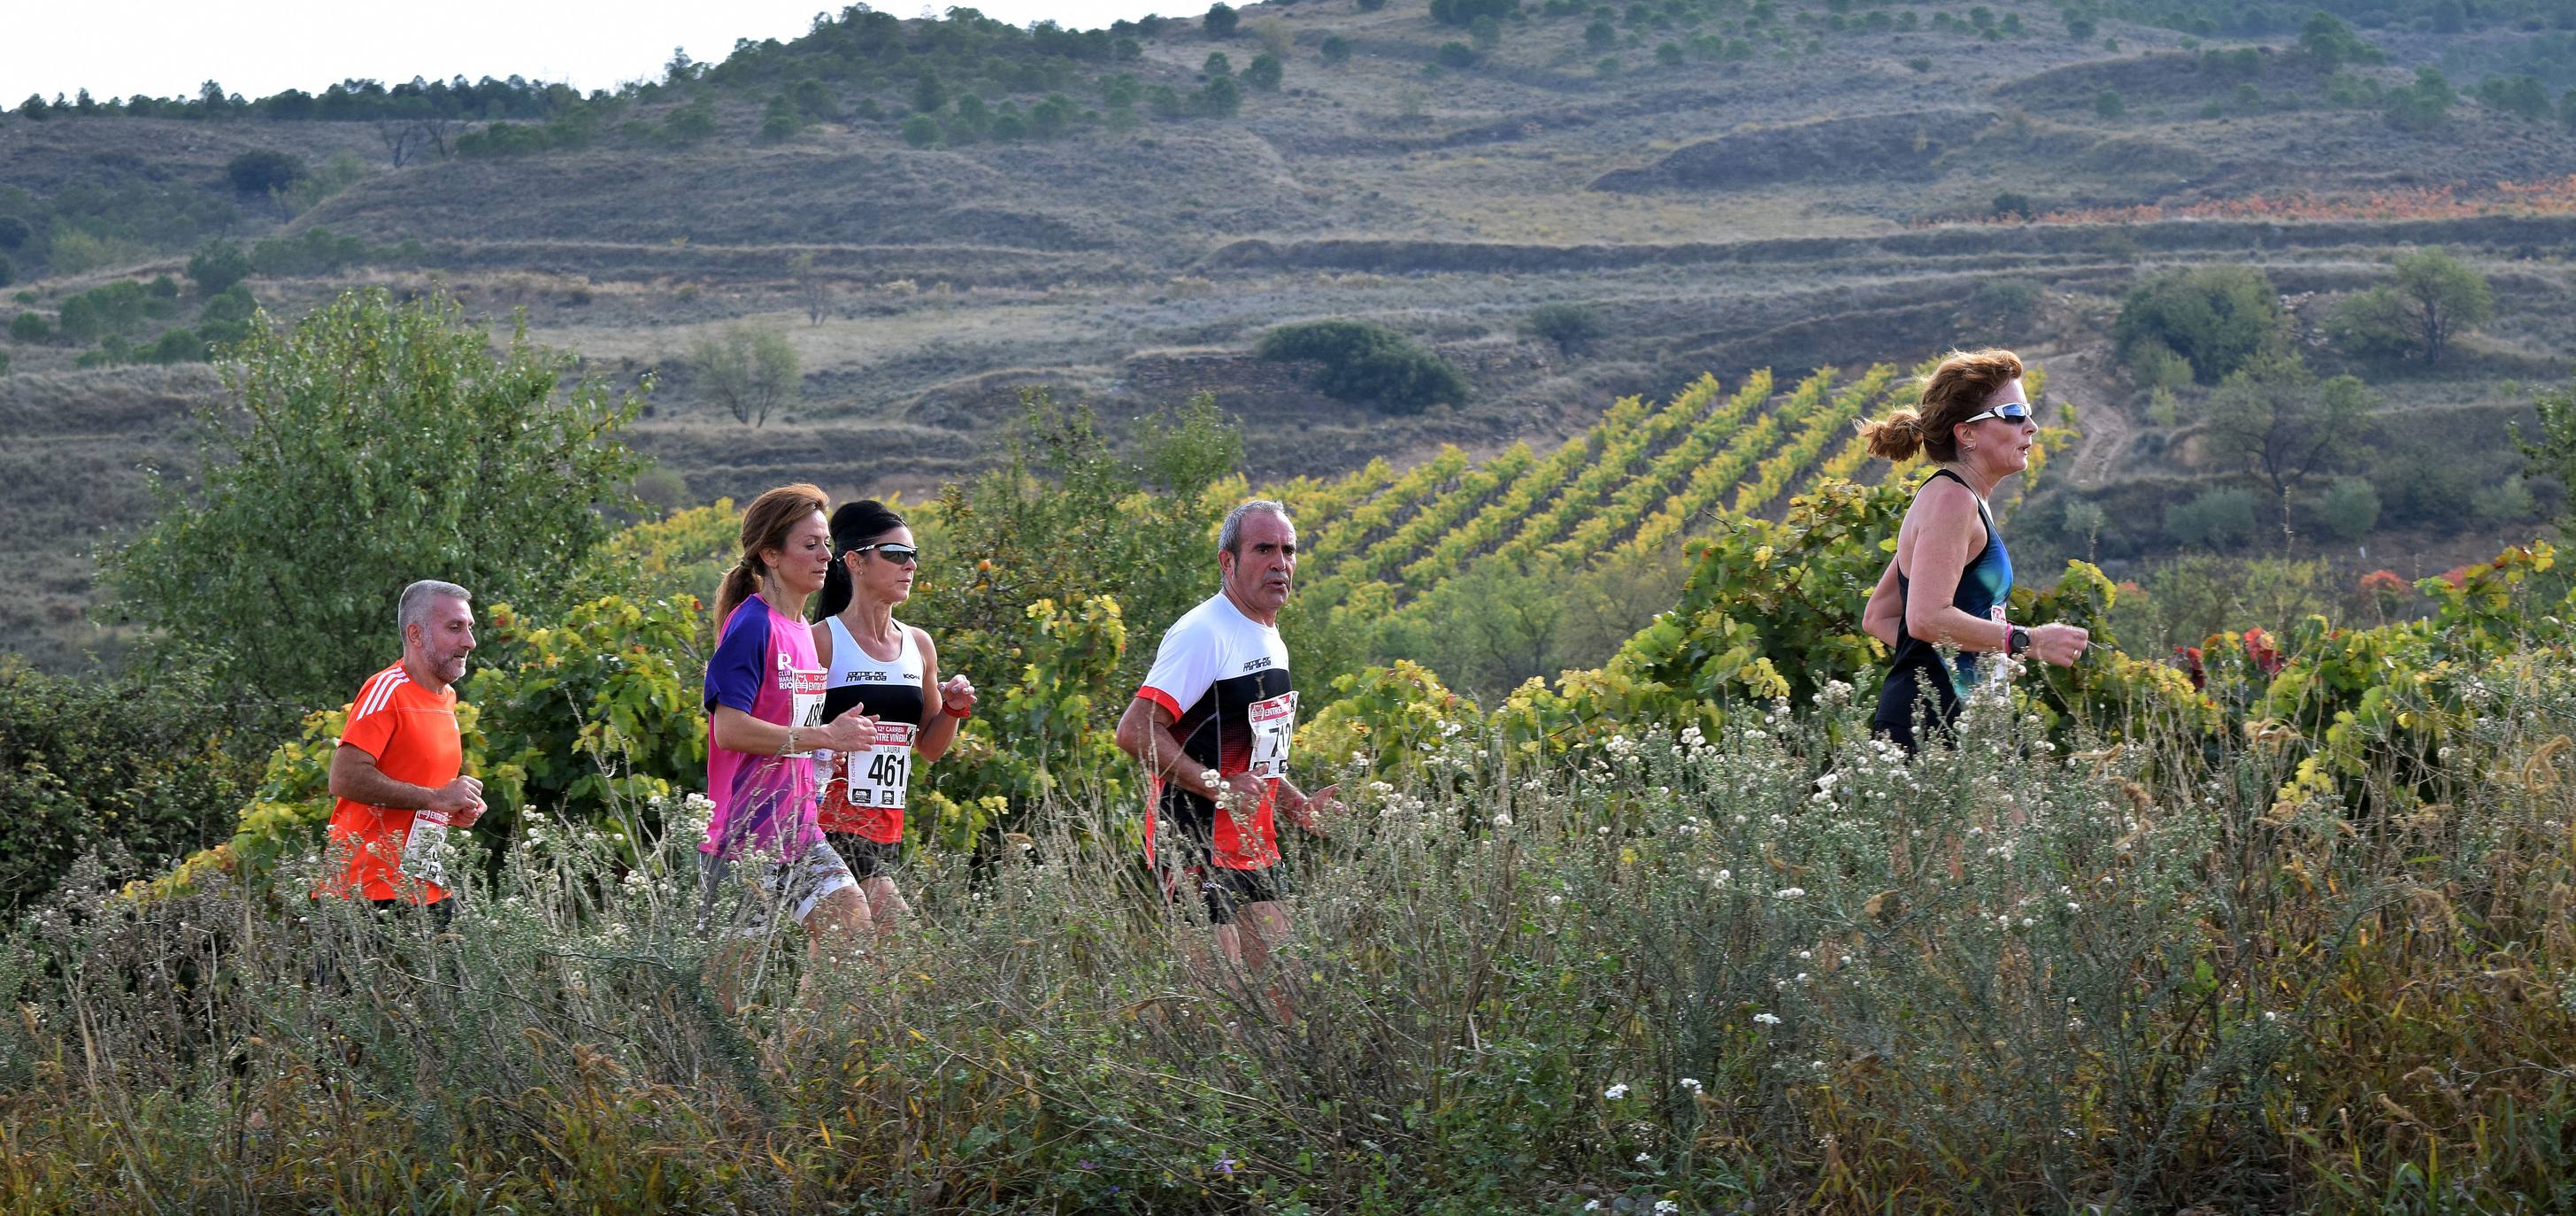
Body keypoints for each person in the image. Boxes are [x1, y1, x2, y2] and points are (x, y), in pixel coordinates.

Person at [1115, 499, 1337, 1013]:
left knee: (1287, 998)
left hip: (1254, 840)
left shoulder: (1269, 636)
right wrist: (1217, 786)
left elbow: (1259, 756)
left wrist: (1297, 806)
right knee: (1220, 1011)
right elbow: (1134, 731)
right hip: (1190, 838)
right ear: (1227, 562)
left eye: (1288, 550)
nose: (1279, 562)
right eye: (1263, 549)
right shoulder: (1203, 632)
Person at [700, 483, 884, 1003]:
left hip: (797, 830)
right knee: (724, 997)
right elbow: (729, 729)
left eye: (827, 544)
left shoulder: (802, 628)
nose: (827, 556)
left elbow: (794, 733)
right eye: (811, 545)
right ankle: (705, 1080)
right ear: (771, 554)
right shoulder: (750, 624)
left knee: (850, 930)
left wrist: (833, 745)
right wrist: (822, 735)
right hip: (742, 839)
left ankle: (790, 1066)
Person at [1858, 348, 2090, 751]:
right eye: (2015, 414)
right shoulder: (1952, 501)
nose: (2031, 427)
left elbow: (1882, 616)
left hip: (1956, 722)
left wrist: (1969, 658)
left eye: (2029, 412)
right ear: (1966, 433)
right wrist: (2026, 640)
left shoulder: (1956, 499)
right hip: (1932, 729)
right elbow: (1926, 618)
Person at [809, 499, 977, 935]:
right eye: (897, 554)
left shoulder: (919, 645)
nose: (911, 566)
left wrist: (955, 710)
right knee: (891, 938)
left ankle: (801, 1007)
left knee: (850, 957)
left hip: (884, 823)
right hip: (826, 819)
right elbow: (793, 731)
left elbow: (930, 747)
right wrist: (830, 739)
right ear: (856, 562)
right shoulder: (822, 641)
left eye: (913, 556)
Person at [319, 579, 486, 914]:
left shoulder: (447, 698)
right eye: (454, 628)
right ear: (415, 634)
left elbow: (418, 788)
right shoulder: (387, 689)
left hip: (422, 886)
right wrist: (437, 797)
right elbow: (344, 778)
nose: (470, 642)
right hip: (363, 894)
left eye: (469, 628)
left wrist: (453, 807)